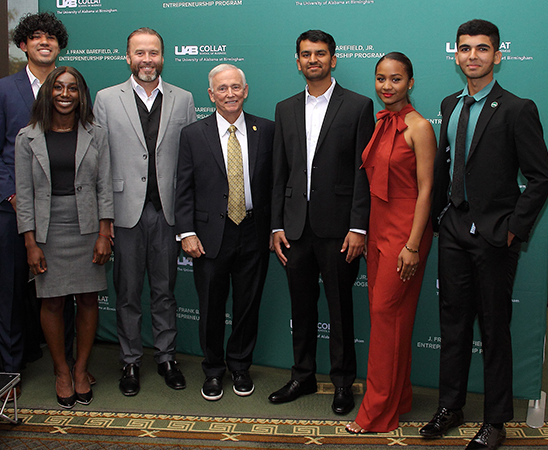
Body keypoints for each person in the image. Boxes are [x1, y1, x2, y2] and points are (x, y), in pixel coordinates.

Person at [419, 20, 548, 450]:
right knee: (453, 324)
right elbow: (446, 167)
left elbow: (540, 177)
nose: (472, 55)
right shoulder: (449, 104)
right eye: (464, 48)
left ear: (498, 56)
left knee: (495, 330)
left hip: (495, 237)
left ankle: (496, 420)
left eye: (482, 49)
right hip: (454, 229)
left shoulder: (517, 108)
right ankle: (451, 406)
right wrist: (440, 218)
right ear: (455, 56)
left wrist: (514, 229)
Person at [268, 30, 374, 415]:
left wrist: (359, 227)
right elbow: (280, 171)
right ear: (297, 61)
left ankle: (343, 382)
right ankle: (303, 375)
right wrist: (276, 225)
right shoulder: (285, 108)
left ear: (334, 59)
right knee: (302, 306)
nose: (313, 60)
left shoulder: (359, 106)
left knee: (341, 309)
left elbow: (364, 172)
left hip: (340, 229)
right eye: (306, 54)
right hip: (295, 228)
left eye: (321, 54)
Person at [93, 27, 197, 396]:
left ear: (163, 57)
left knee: (166, 291)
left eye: (153, 53)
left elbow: (189, 162)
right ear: (128, 57)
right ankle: (130, 361)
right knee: (127, 292)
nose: (147, 60)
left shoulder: (183, 99)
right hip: (124, 213)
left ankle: (167, 357)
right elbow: (100, 161)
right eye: (140, 53)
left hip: (167, 212)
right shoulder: (106, 99)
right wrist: (104, 219)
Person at [0, 12, 71, 401]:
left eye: (51, 37)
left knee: (62, 291)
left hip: (65, 212)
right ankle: (9, 372)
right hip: (14, 209)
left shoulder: (70, 86)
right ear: (23, 45)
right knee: (14, 291)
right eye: (36, 37)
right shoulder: (2, 89)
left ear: (59, 45)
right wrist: (13, 195)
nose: (44, 42)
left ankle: (64, 368)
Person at [345, 52, 436, 433]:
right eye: (381, 78)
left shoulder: (419, 127)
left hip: (406, 230)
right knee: (391, 319)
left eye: (396, 79)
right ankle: (399, 398)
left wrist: (413, 245)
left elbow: (427, 190)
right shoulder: (380, 123)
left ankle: (376, 412)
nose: (387, 86)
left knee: (385, 319)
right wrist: (366, 232)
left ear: (410, 82)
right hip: (378, 228)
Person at [15, 66, 113, 408]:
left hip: (87, 226)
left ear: (81, 94)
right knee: (52, 301)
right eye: (58, 87)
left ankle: (82, 369)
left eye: (72, 88)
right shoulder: (27, 137)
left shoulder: (96, 133)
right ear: (48, 92)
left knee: (88, 299)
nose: (65, 94)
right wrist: (30, 242)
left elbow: (104, 185)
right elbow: (24, 194)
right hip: (46, 229)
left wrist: (105, 231)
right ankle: (61, 371)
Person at [175, 64, 274, 401]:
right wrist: (186, 231)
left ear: (245, 90)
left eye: (236, 87)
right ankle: (214, 370)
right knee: (211, 307)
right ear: (211, 95)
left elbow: (276, 185)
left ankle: (240, 367)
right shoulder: (192, 134)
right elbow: (183, 187)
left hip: (253, 230)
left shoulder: (267, 130)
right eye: (222, 88)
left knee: (248, 305)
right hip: (208, 235)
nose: (230, 94)